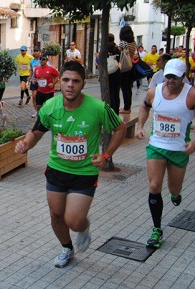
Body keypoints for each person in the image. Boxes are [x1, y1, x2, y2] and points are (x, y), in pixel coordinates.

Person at [15, 61, 127, 268]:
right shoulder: (50, 106)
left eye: (75, 81)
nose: (70, 85)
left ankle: (83, 229)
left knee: (74, 220)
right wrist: (26, 145)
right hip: (57, 170)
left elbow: (120, 129)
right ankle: (67, 248)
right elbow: (36, 131)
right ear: (60, 82)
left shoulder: (99, 107)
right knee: (56, 215)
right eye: (66, 80)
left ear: (83, 83)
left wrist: (107, 155)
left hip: (84, 173)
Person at [136, 59, 195, 248]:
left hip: (179, 150)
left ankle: (176, 195)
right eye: (168, 76)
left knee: (174, 189)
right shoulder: (154, 92)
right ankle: (157, 229)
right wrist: (140, 126)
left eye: (175, 77)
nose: (171, 80)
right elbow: (145, 106)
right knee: (154, 186)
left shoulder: (193, 95)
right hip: (156, 146)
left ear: (183, 76)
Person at [119, 25, 136, 114]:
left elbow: (119, 53)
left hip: (124, 67)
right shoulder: (133, 43)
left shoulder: (123, 43)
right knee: (128, 88)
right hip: (130, 66)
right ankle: (127, 107)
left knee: (124, 88)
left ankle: (126, 108)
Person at [108, 33, 122, 115]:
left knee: (110, 93)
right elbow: (119, 59)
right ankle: (116, 111)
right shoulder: (117, 49)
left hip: (109, 74)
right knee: (116, 93)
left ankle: (110, 111)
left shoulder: (105, 49)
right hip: (117, 73)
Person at [29, 46, 43, 118]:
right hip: (34, 80)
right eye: (35, 51)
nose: (36, 52)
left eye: (37, 51)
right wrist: (29, 77)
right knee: (34, 96)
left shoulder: (42, 60)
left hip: (41, 81)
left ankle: (41, 110)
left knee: (40, 96)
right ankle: (36, 111)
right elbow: (31, 70)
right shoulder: (32, 61)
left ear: (40, 52)